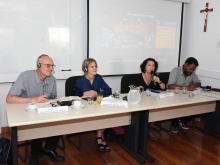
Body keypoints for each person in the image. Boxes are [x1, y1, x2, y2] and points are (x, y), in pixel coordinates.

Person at [6, 54, 64, 165]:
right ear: (38, 65)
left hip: (45, 112)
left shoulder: (52, 80)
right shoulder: (25, 77)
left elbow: (53, 99)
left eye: (52, 66)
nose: (51, 68)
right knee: (38, 124)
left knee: (59, 121)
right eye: (48, 65)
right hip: (25, 113)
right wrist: (33, 99)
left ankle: (48, 149)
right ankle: (35, 153)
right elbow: (9, 99)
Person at [74, 58, 112, 152]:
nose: (95, 68)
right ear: (86, 68)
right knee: (99, 114)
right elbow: (73, 96)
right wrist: (83, 95)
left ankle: (99, 137)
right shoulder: (80, 80)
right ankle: (100, 138)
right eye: (92, 66)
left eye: (96, 66)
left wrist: (97, 94)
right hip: (84, 107)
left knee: (102, 113)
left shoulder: (98, 78)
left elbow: (108, 90)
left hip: (96, 105)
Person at [167, 57, 201, 133]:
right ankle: (174, 124)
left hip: (185, 96)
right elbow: (170, 86)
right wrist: (186, 88)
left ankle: (181, 120)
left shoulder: (192, 73)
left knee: (196, 106)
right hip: (173, 96)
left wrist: (194, 85)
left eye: (193, 69)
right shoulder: (175, 71)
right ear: (186, 64)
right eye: (190, 68)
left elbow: (199, 82)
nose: (191, 71)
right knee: (176, 105)